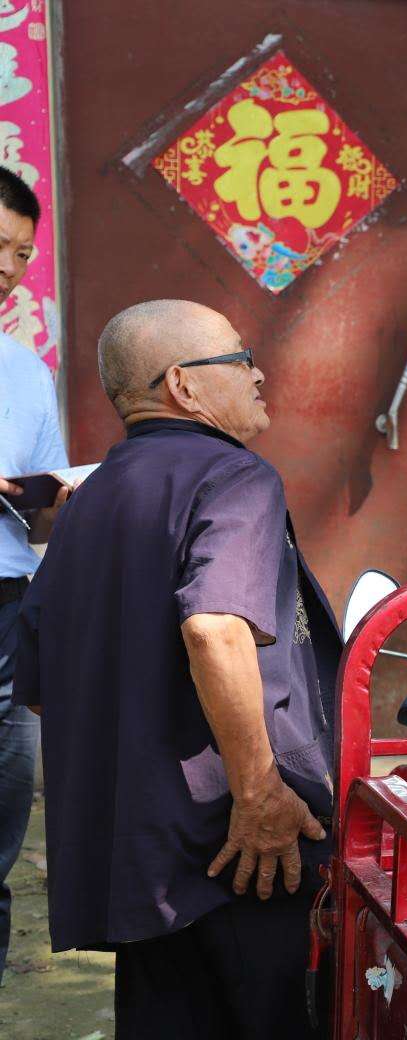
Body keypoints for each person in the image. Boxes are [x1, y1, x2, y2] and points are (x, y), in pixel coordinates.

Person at [13, 300, 340, 1038]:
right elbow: (214, 628)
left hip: (140, 852)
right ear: (184, 384)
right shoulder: (233, 476)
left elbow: (40, 687)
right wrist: (258, 793)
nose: (258, 374)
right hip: (237, 845)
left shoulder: (86, 500)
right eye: (240, 358)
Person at [0, 166, 64, 987]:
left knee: (4, 816)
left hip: (7, 608)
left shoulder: (25, 371)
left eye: (21, 253)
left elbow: (42, 515)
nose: (7, 267)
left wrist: (61, 504)